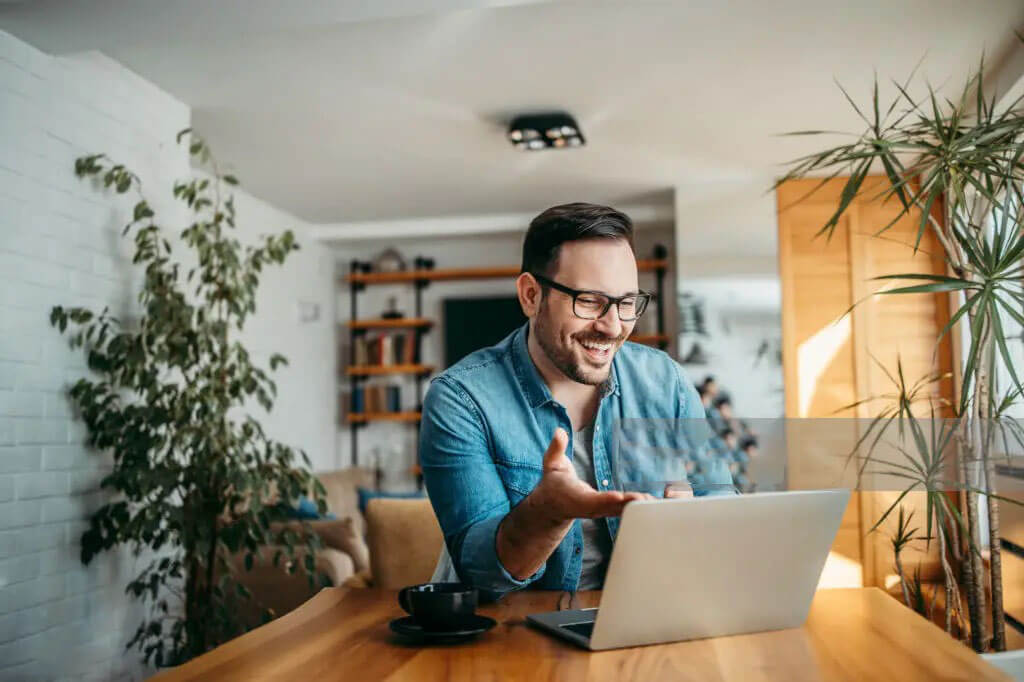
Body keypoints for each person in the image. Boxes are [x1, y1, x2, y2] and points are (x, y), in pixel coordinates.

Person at [420, 203, 733, 598]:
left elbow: (719, 493)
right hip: (512, 635)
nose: (613, 326)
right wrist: (547, 514)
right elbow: (482, 576)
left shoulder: (665, 380)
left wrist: (696, 520)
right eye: (589, 301)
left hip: (642, 614)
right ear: (531, 295)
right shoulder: (461, 399)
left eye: (626, 302)